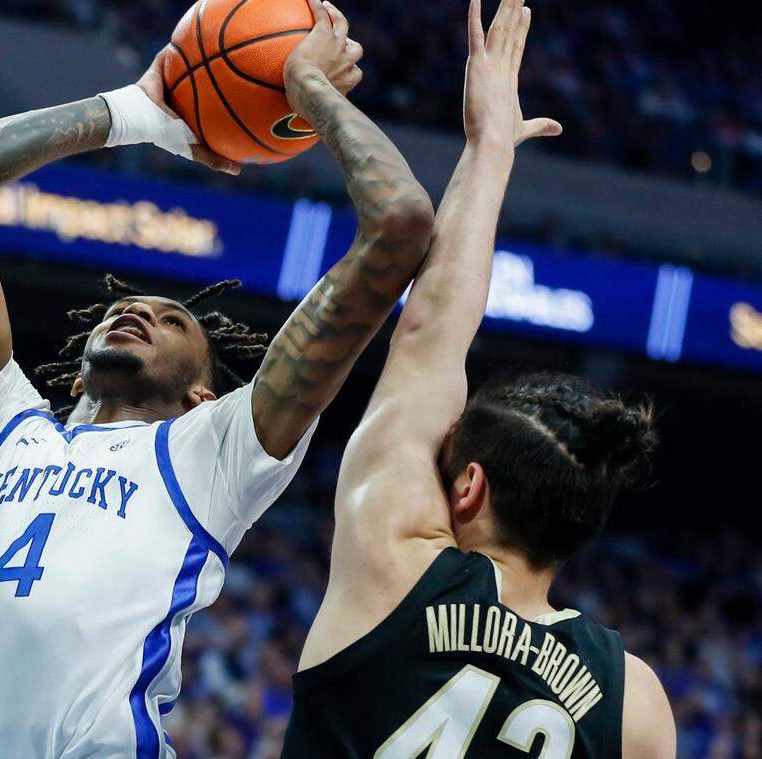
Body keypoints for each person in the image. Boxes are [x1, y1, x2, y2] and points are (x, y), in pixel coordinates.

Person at [0, 0, 436, 754]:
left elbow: (400, 223)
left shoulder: (211, 451)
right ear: (78, 374)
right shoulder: (0, 428)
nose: (136, 312)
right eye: (123, 307)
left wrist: (307, 84)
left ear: (202, 396)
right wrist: (137, 112)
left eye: (171, 319)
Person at [282, 0, 676, 757]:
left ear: (467, 487)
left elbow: (430, 331)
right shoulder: (638, 706)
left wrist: (490, 146)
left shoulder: (393, 555)